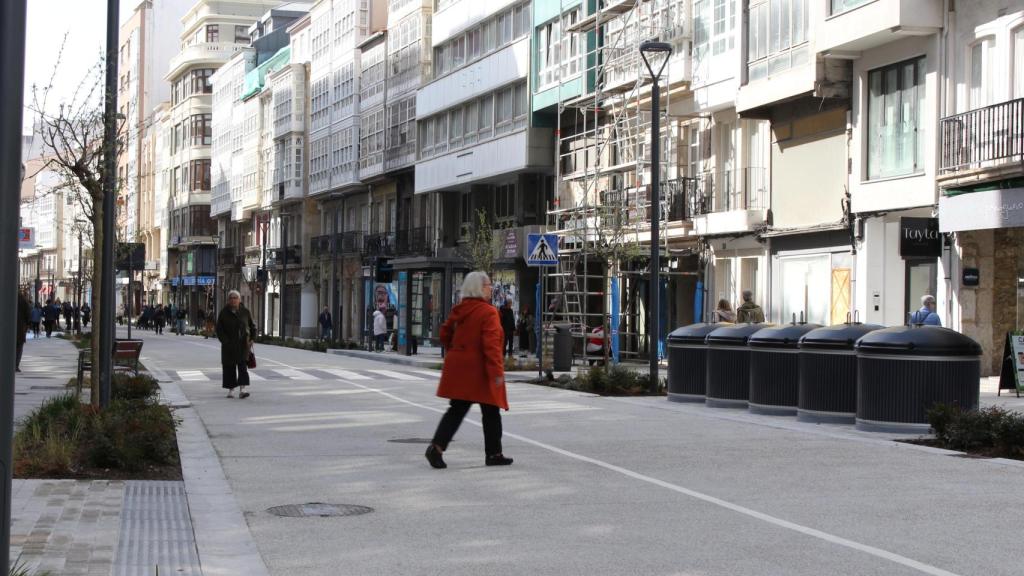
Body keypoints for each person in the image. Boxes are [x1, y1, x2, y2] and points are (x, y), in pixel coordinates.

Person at [425, 271, 512, 469]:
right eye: (488, 285)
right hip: (479, 370)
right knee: (491, 411)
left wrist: (457, 351)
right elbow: (491, 346)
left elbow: (444, 333)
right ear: (480, 288)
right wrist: (497, 373)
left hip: (459, 368)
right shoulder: (488, 312)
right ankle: (494, 454)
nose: (491, 288)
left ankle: (436, 448)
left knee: (457, 410)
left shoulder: (459, 309)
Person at [216, 290, 256, 399]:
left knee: (242, 367)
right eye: (231, 298)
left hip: (243, 345)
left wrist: (252, 339)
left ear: (239, 300)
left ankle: (242, 390)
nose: (233, 300)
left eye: (235, 298)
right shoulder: (224, 312)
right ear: (228, 300)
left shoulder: (245, 312)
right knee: (229, 368)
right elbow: (219, 329)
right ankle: (231, 390)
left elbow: (252, 326)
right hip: (228, 346)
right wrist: (225, 341)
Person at [16, 291, 31, 372]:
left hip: (6, 328)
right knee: (19, 347)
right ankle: (16, 365)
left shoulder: (5, 296)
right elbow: (28, 314)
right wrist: (28, 324)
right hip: (20, 328)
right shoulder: (23, 300)